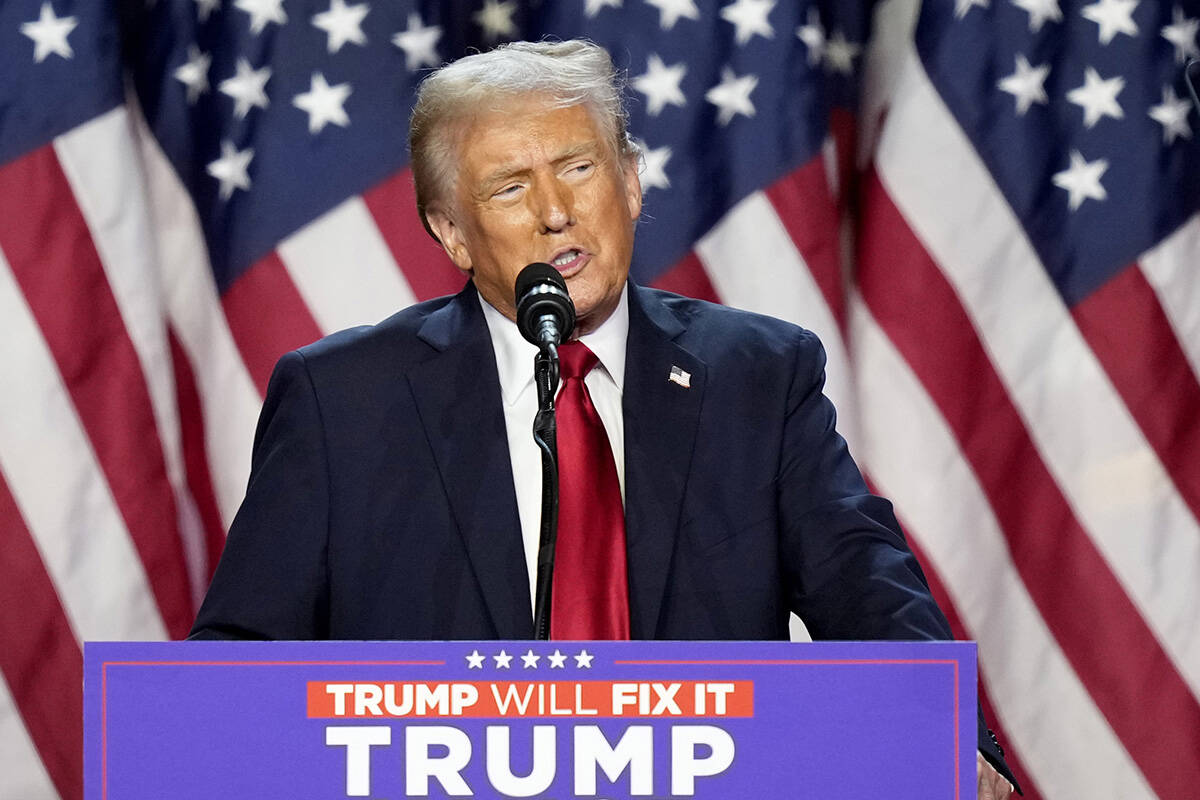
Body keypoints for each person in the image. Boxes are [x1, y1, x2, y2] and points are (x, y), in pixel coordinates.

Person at [190, 39, 1017, 798]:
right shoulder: (345, 402)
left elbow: (863, 585)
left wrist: (943, 734)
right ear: (452, 233)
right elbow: (238, 671)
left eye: (578, 168)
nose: (556, 212)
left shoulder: (756, 379)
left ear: (629, 183)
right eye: (509, 188)